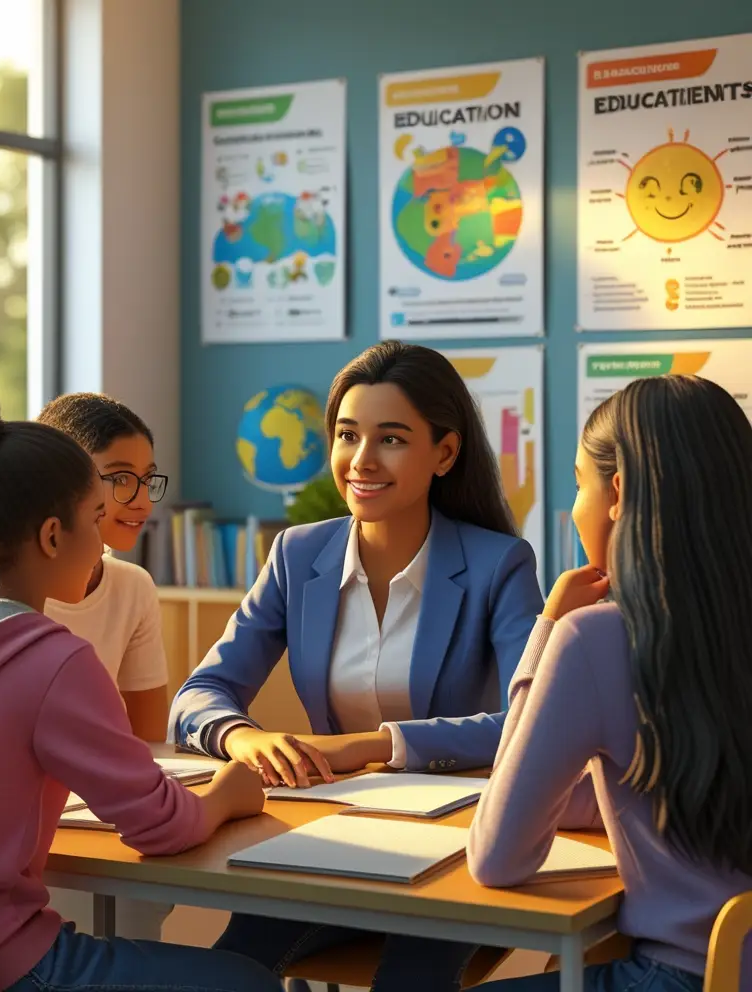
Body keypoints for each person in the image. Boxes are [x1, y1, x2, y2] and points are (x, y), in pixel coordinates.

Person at [170, 340, 545, 991]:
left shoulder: (499, 565)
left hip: (458, 848)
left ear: (445, 454)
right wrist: (242, 737)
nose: (362, 460)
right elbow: (200, 693)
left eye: (391, 439)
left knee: (411, 978)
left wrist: (369, 746)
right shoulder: (297, 555)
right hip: (331, 838)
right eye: (348, 435)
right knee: (231, 966)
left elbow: (529, 721)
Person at [0, 373, 281, 992]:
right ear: (54, 536)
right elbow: (162, 825)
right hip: (6, 958)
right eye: (96, 517)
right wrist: (230, 793)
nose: (108, 539)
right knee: (249, 982)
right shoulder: (55, 660)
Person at [468, 375, 752, 990]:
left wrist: (547, 630)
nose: (576, 508)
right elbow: (639, 790)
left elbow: (497, 856)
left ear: (617, 491)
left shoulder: (596, 639)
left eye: (579, 484)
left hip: (686, 976)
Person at [37, 393, 174, 941]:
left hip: (102, 815)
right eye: (120, 478)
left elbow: (149, 742)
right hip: (26, 833)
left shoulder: (133, 586)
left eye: (147, 479)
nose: (140, 500)